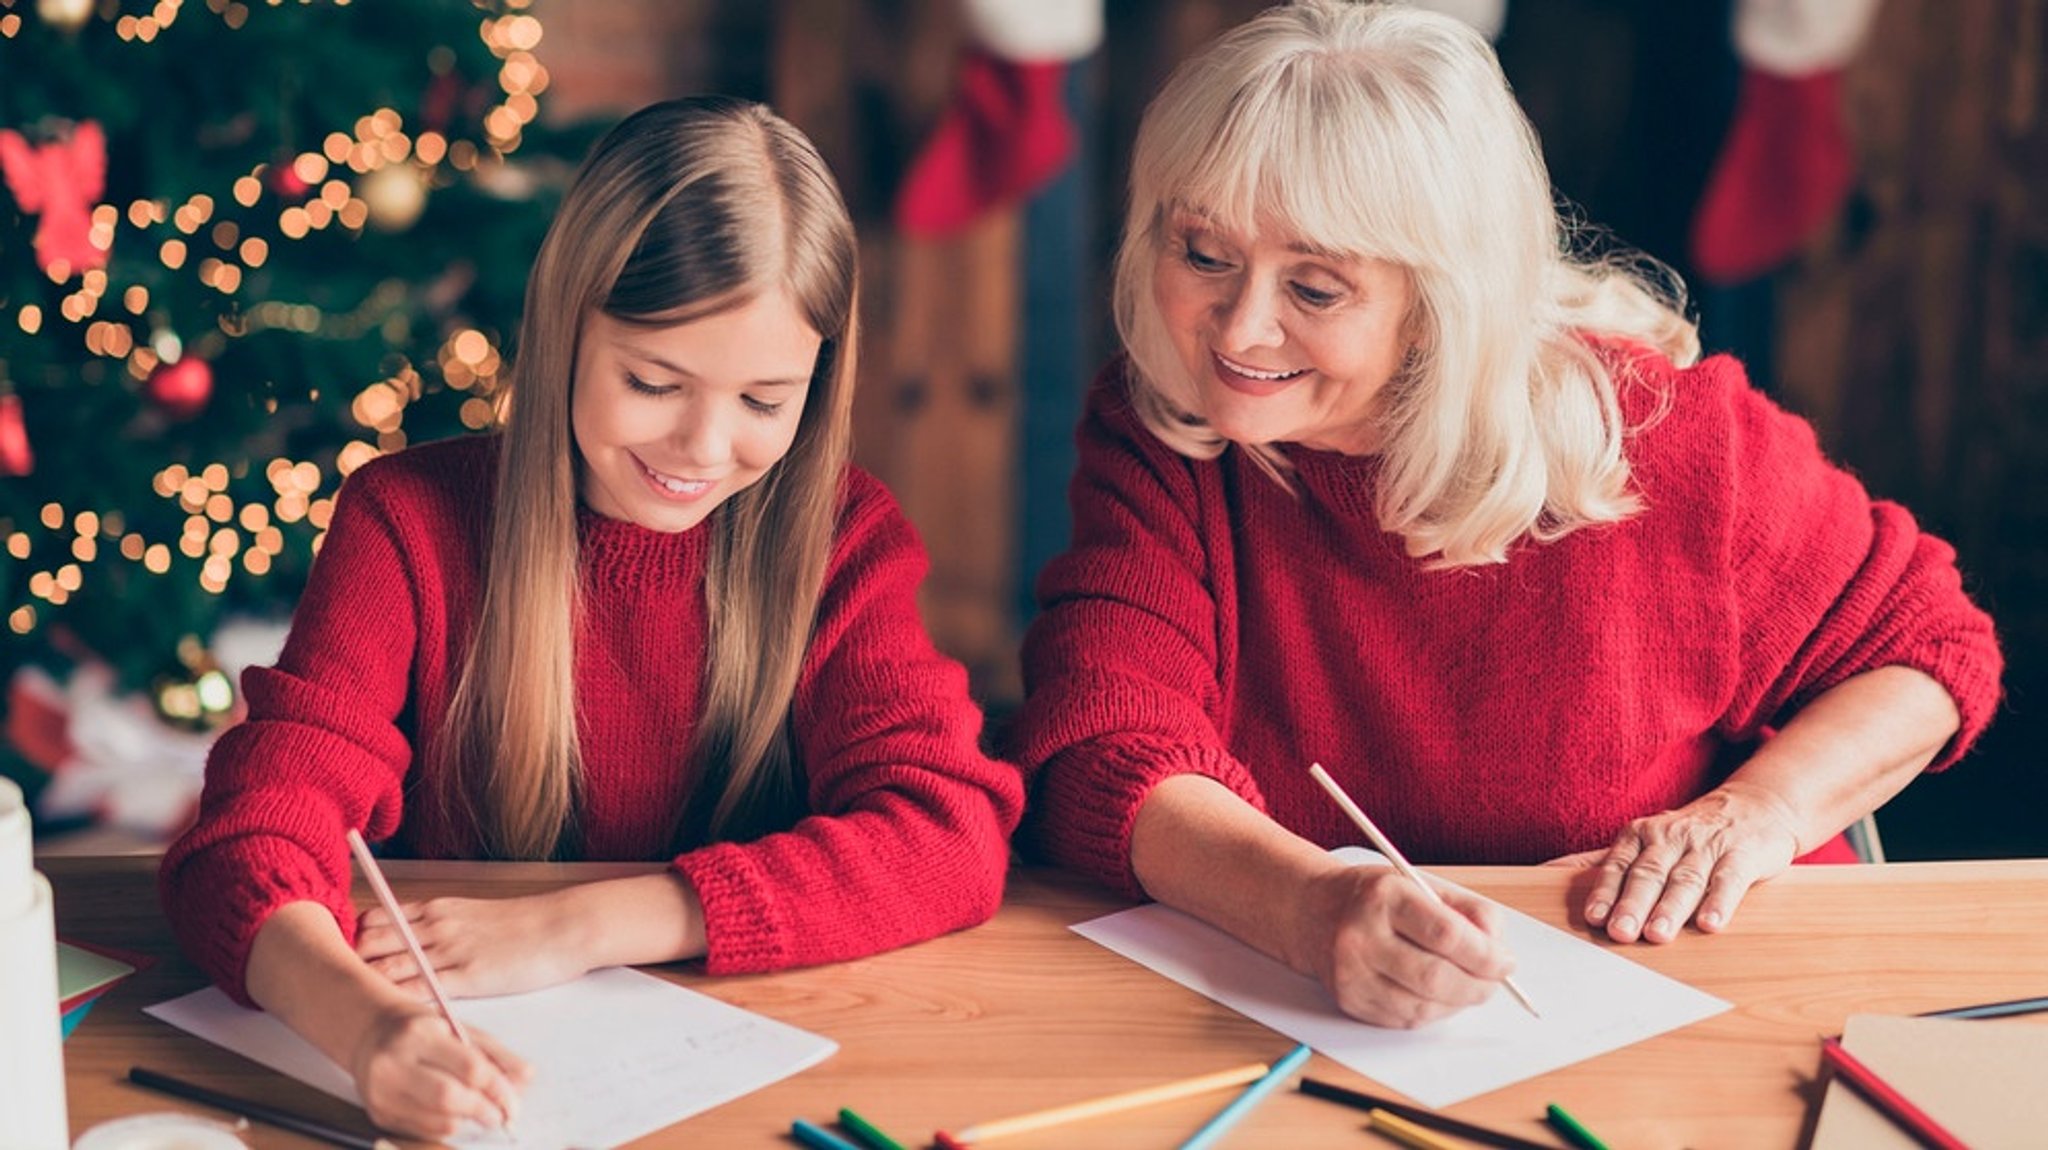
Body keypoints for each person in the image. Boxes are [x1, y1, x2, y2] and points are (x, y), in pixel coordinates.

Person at [1012, 0, 2001, 1031]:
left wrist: (1753, 812)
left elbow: (1926, 650)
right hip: (1317, 1022)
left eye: (1313, 286)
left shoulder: (1664, 434)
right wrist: (1308, 907)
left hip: (1689, 1005)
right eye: (1203, 255)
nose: (1239, 326)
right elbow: (1108, 742)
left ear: (1442, 298)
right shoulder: (1165, 435)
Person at [159, 97, 1023, 1138]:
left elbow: (947, 833)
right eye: (654, 381)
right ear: (566, 330)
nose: (704, 447)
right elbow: (248, 834)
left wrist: (580, 924)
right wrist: (369, 1032)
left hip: (757, 1095)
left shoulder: (844, 541)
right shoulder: (406, 526)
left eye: (763, 401)